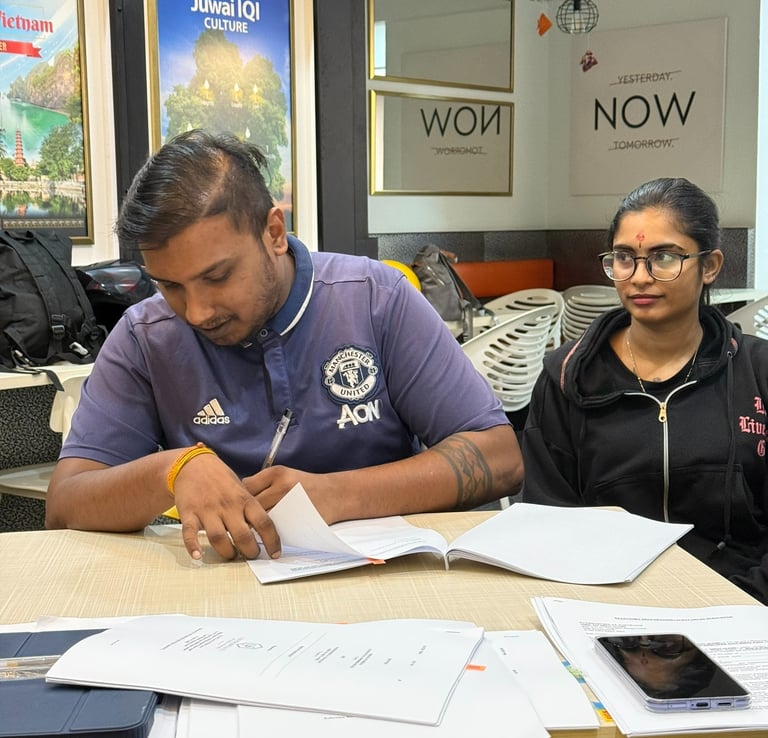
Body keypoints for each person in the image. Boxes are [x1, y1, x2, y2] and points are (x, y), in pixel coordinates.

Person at [45, 129, 522, 561]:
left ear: (273, 232)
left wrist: (338, 494)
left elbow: (500, 458)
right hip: (220, 600)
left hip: (383, 583)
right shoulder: (145, 335)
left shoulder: (376, 299)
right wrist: (172, 470)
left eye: (218, 276)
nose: (197, 312)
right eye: (169, 286)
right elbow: (65, 506)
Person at [521, 177, 768, 604]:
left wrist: (741, 602)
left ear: (710, 266)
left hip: (742, 604)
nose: (639, 277)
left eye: (664, 257)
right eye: (624, 258)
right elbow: (547, 520)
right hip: (606, 603)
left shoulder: (757, 372)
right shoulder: (567, 379)